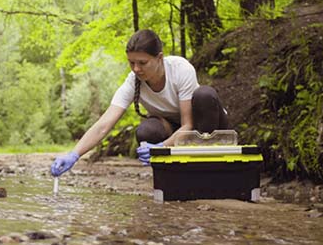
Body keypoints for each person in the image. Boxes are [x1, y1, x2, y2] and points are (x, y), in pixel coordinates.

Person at [50, 29, 229, 177]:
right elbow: (103, 125)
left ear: (159, 58)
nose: (136, 69)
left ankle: (209, 170)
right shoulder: (132, 81)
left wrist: (161, 148)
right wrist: (74, 154)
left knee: (205, 95)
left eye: (142, 63)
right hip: (174, 129)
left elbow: (188, 125)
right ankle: (173, 176)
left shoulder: (180, 69)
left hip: (205, 125)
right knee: (146, 131)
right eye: (131, 63)